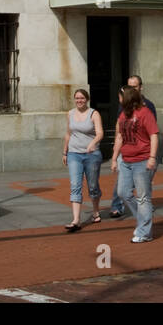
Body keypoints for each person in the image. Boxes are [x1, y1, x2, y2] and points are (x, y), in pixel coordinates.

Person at [110, 85, 158, 243]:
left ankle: (145, 232)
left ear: (127, 98)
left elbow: (154, 136)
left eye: (120, 97)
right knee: (123, 192)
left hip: (142, 160)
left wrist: (152, 157)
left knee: (143, 197)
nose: (119, 100)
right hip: (126, 160)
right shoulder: (123, 115)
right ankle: (145, 220)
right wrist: (114, 158)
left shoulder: (145, 113)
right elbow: (119, 137)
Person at [61, 88, 104, 231]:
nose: (79, 100)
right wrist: (65, 152)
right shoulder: (70, 114)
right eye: (77, 98)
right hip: (74, 154)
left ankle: (96, 211)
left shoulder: (94, 114)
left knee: (92, 186)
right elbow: (68, 133)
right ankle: (76, 220)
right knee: (75, 185)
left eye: (82, 98)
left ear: (87, 99)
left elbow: (100, 133)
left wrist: (92, 143)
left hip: (91, 155)